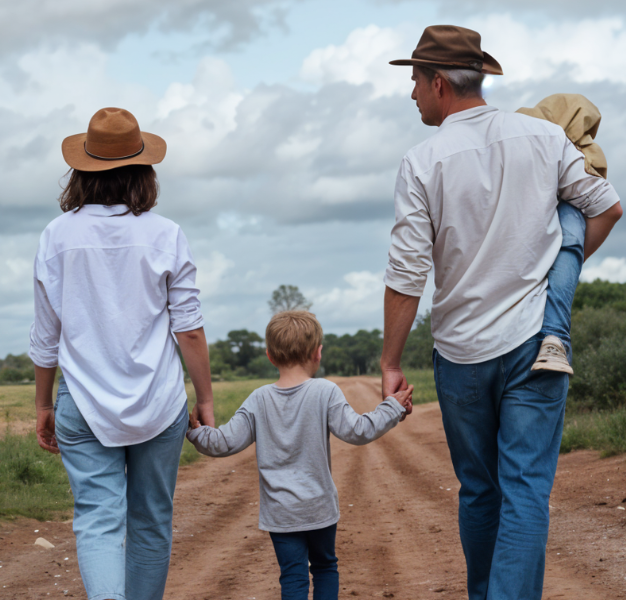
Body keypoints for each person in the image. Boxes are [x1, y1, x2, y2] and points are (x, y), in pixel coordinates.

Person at [380, 26, 623, 600]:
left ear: (439, 83)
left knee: (480, 492)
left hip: (462, 355)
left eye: (414, 80)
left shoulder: (421, 162)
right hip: (536, 342)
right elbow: (606, 209)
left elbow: (407, 274)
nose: (411, 93)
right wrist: (554, 272)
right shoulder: (541, 137)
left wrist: (390, 362)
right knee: (525, 491)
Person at [28, 107, 216, 600]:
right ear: (143, 170)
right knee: (152, 521)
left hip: (82, 403)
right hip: (158, 402)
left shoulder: (56, 236)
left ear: (81, 169)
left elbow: (46, 337)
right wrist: (206, 400)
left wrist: (44, 405)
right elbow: (189, 331)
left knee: (97, 521)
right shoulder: (165, 234)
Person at [187, 311, 413, 600]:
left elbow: (224, 443)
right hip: (319, 508)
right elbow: (358, 431)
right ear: (318, 353)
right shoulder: (325, 391)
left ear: (270, 356)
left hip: (281, 513)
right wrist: (392, 407)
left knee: (292, 576)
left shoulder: (258, 399)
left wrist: (194, 431)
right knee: (324, 568)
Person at [520, 93, 611, 375]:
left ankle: (554, 339)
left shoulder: (518, 145)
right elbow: (610, 209)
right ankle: (554, 338)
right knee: (572, 227)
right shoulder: (584, 156)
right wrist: (567, 265)